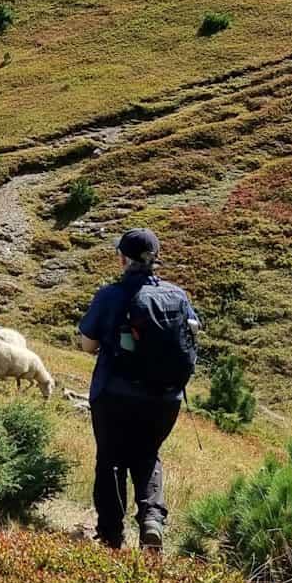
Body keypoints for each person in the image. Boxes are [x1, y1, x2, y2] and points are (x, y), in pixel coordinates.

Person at [77, 229, 200, 552]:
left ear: (122, 258)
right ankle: (152, 521)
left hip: (115, 393)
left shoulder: (110, 295)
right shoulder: (178, 296)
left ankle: (111, 537)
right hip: (165, 398)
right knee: (147, 456)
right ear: (154, 259)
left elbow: (88, 344)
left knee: (111, 460)